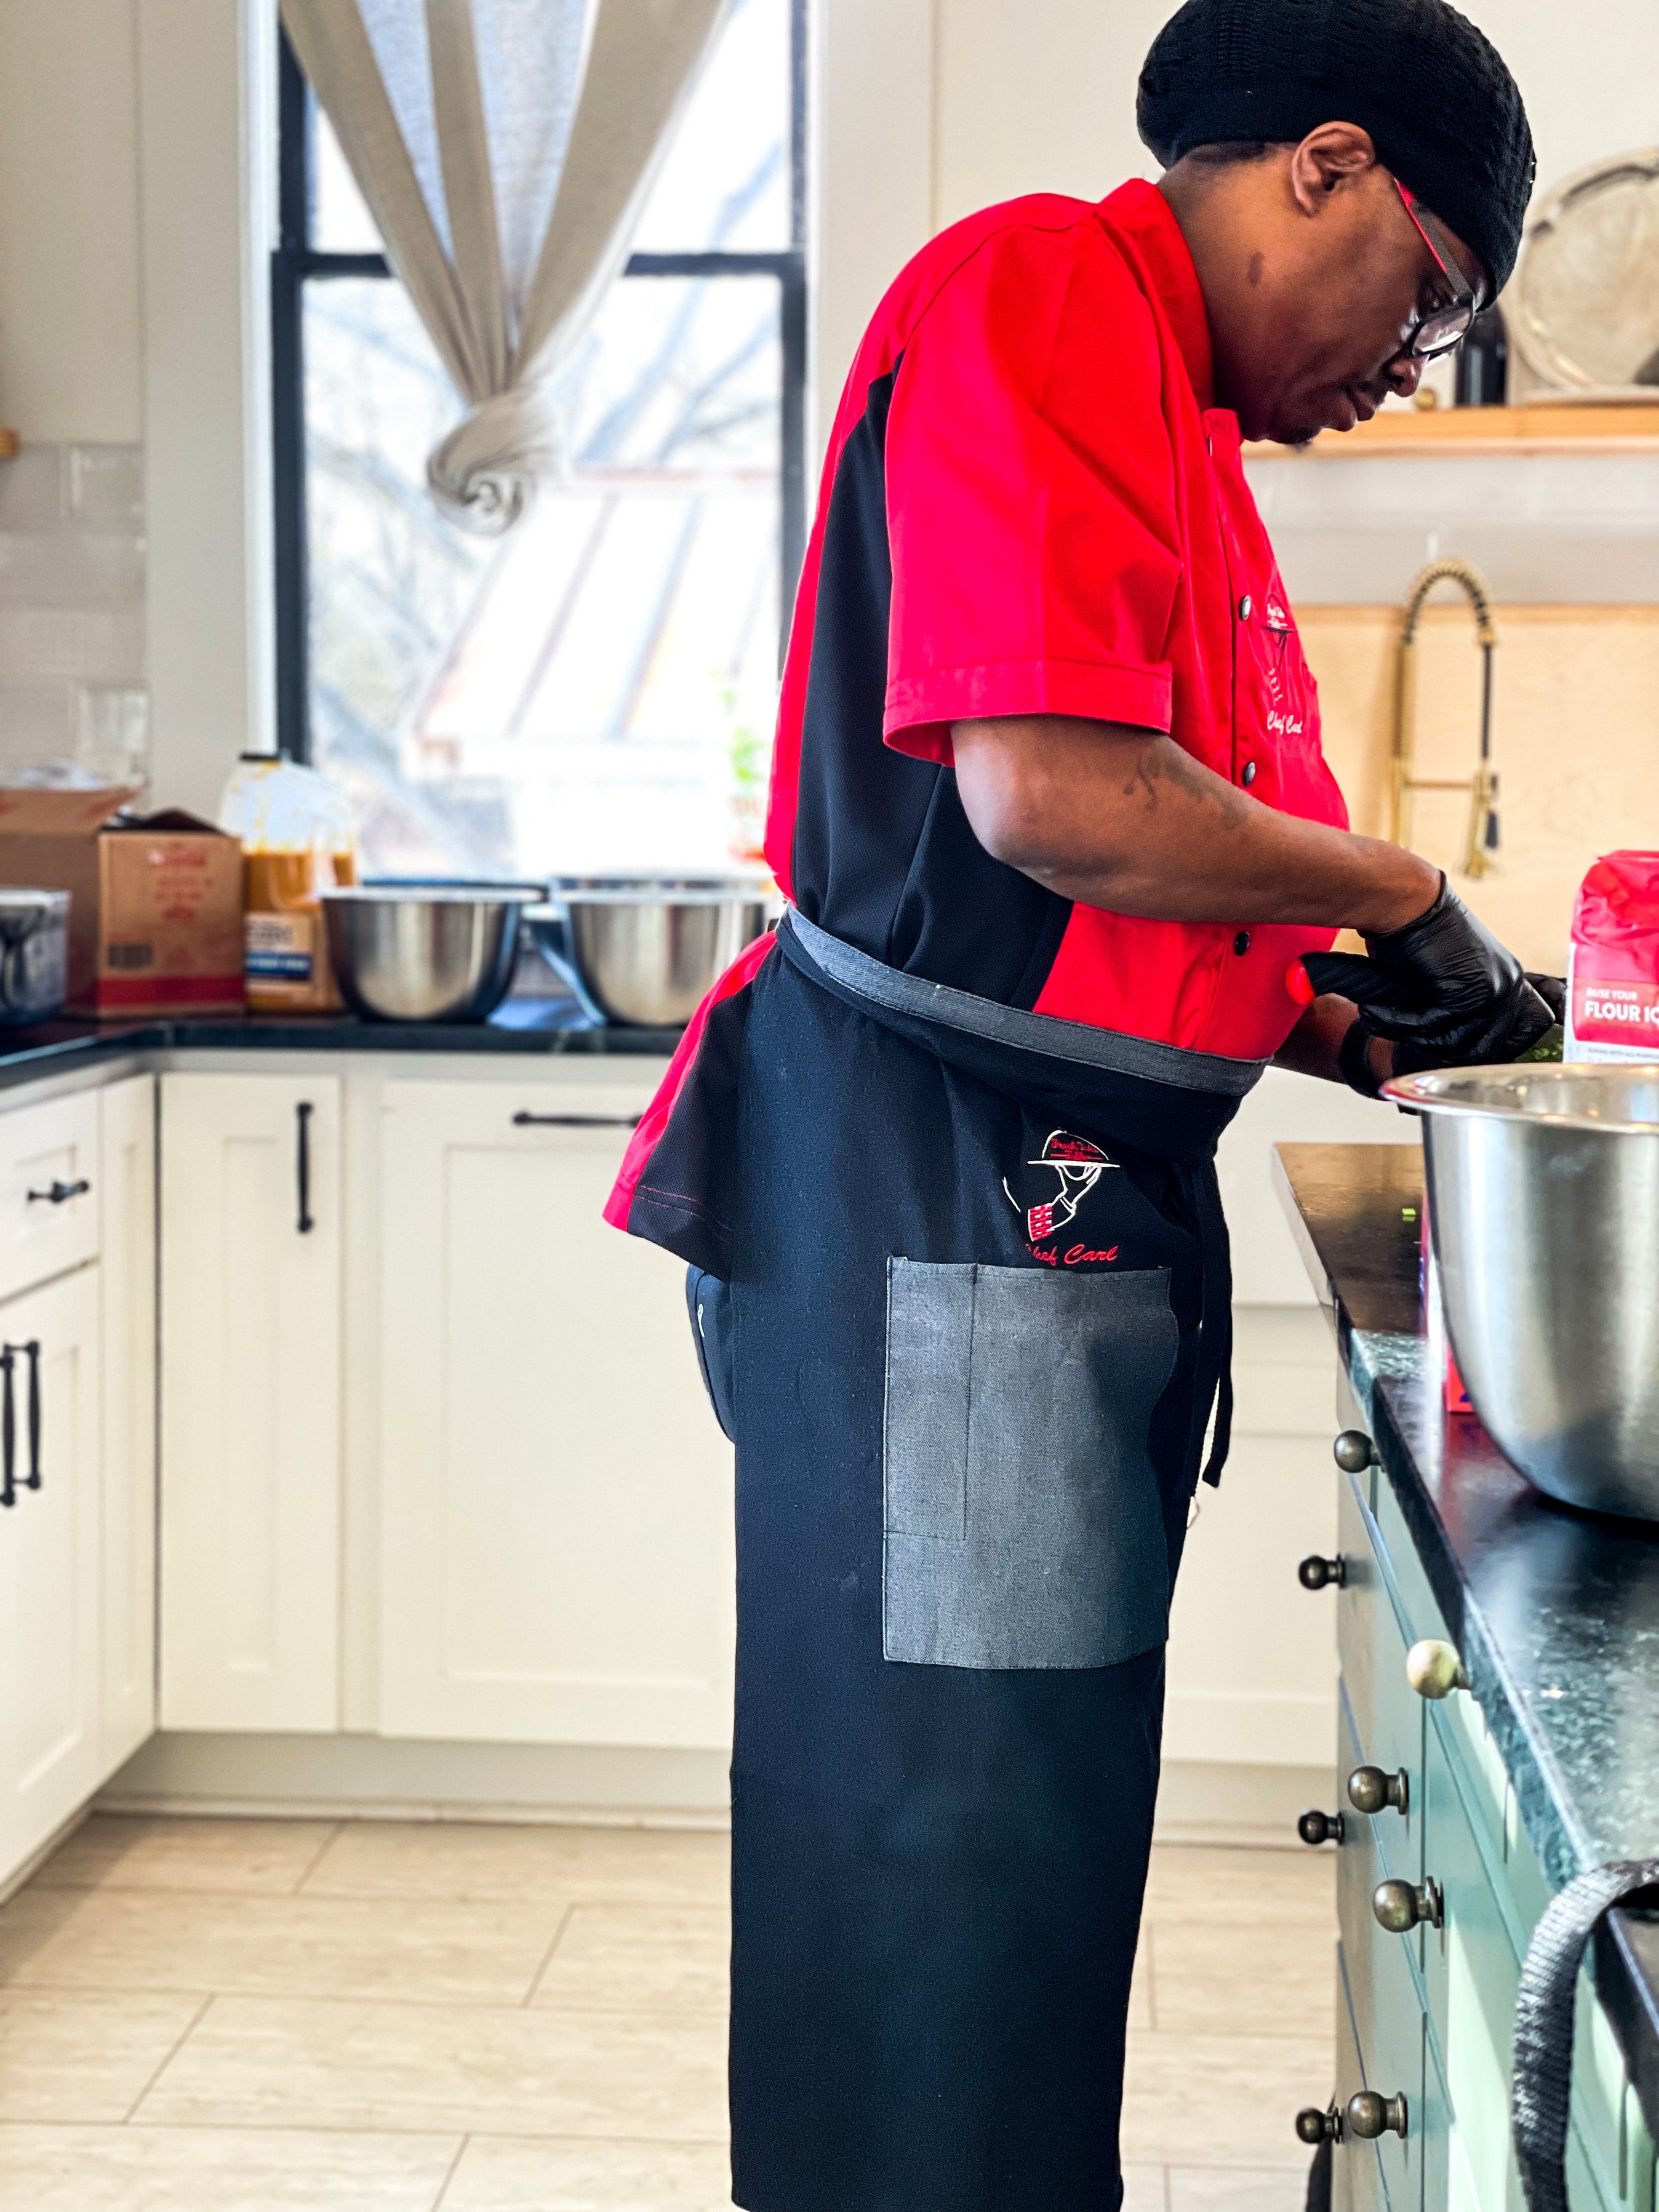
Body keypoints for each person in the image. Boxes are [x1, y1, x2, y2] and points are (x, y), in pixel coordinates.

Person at [607, 1, 1544, 2205]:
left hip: (1021, 1213)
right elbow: (1054, 798)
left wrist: (1326, 1013)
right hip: (937, 1206)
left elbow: (1128, 887)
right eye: (1417, 302)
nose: (1390, 377)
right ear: (1322, 163)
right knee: (938, 1869)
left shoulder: (1176, 419)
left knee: (1015, 1860)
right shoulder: (1047, 288)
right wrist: (1405, 895)